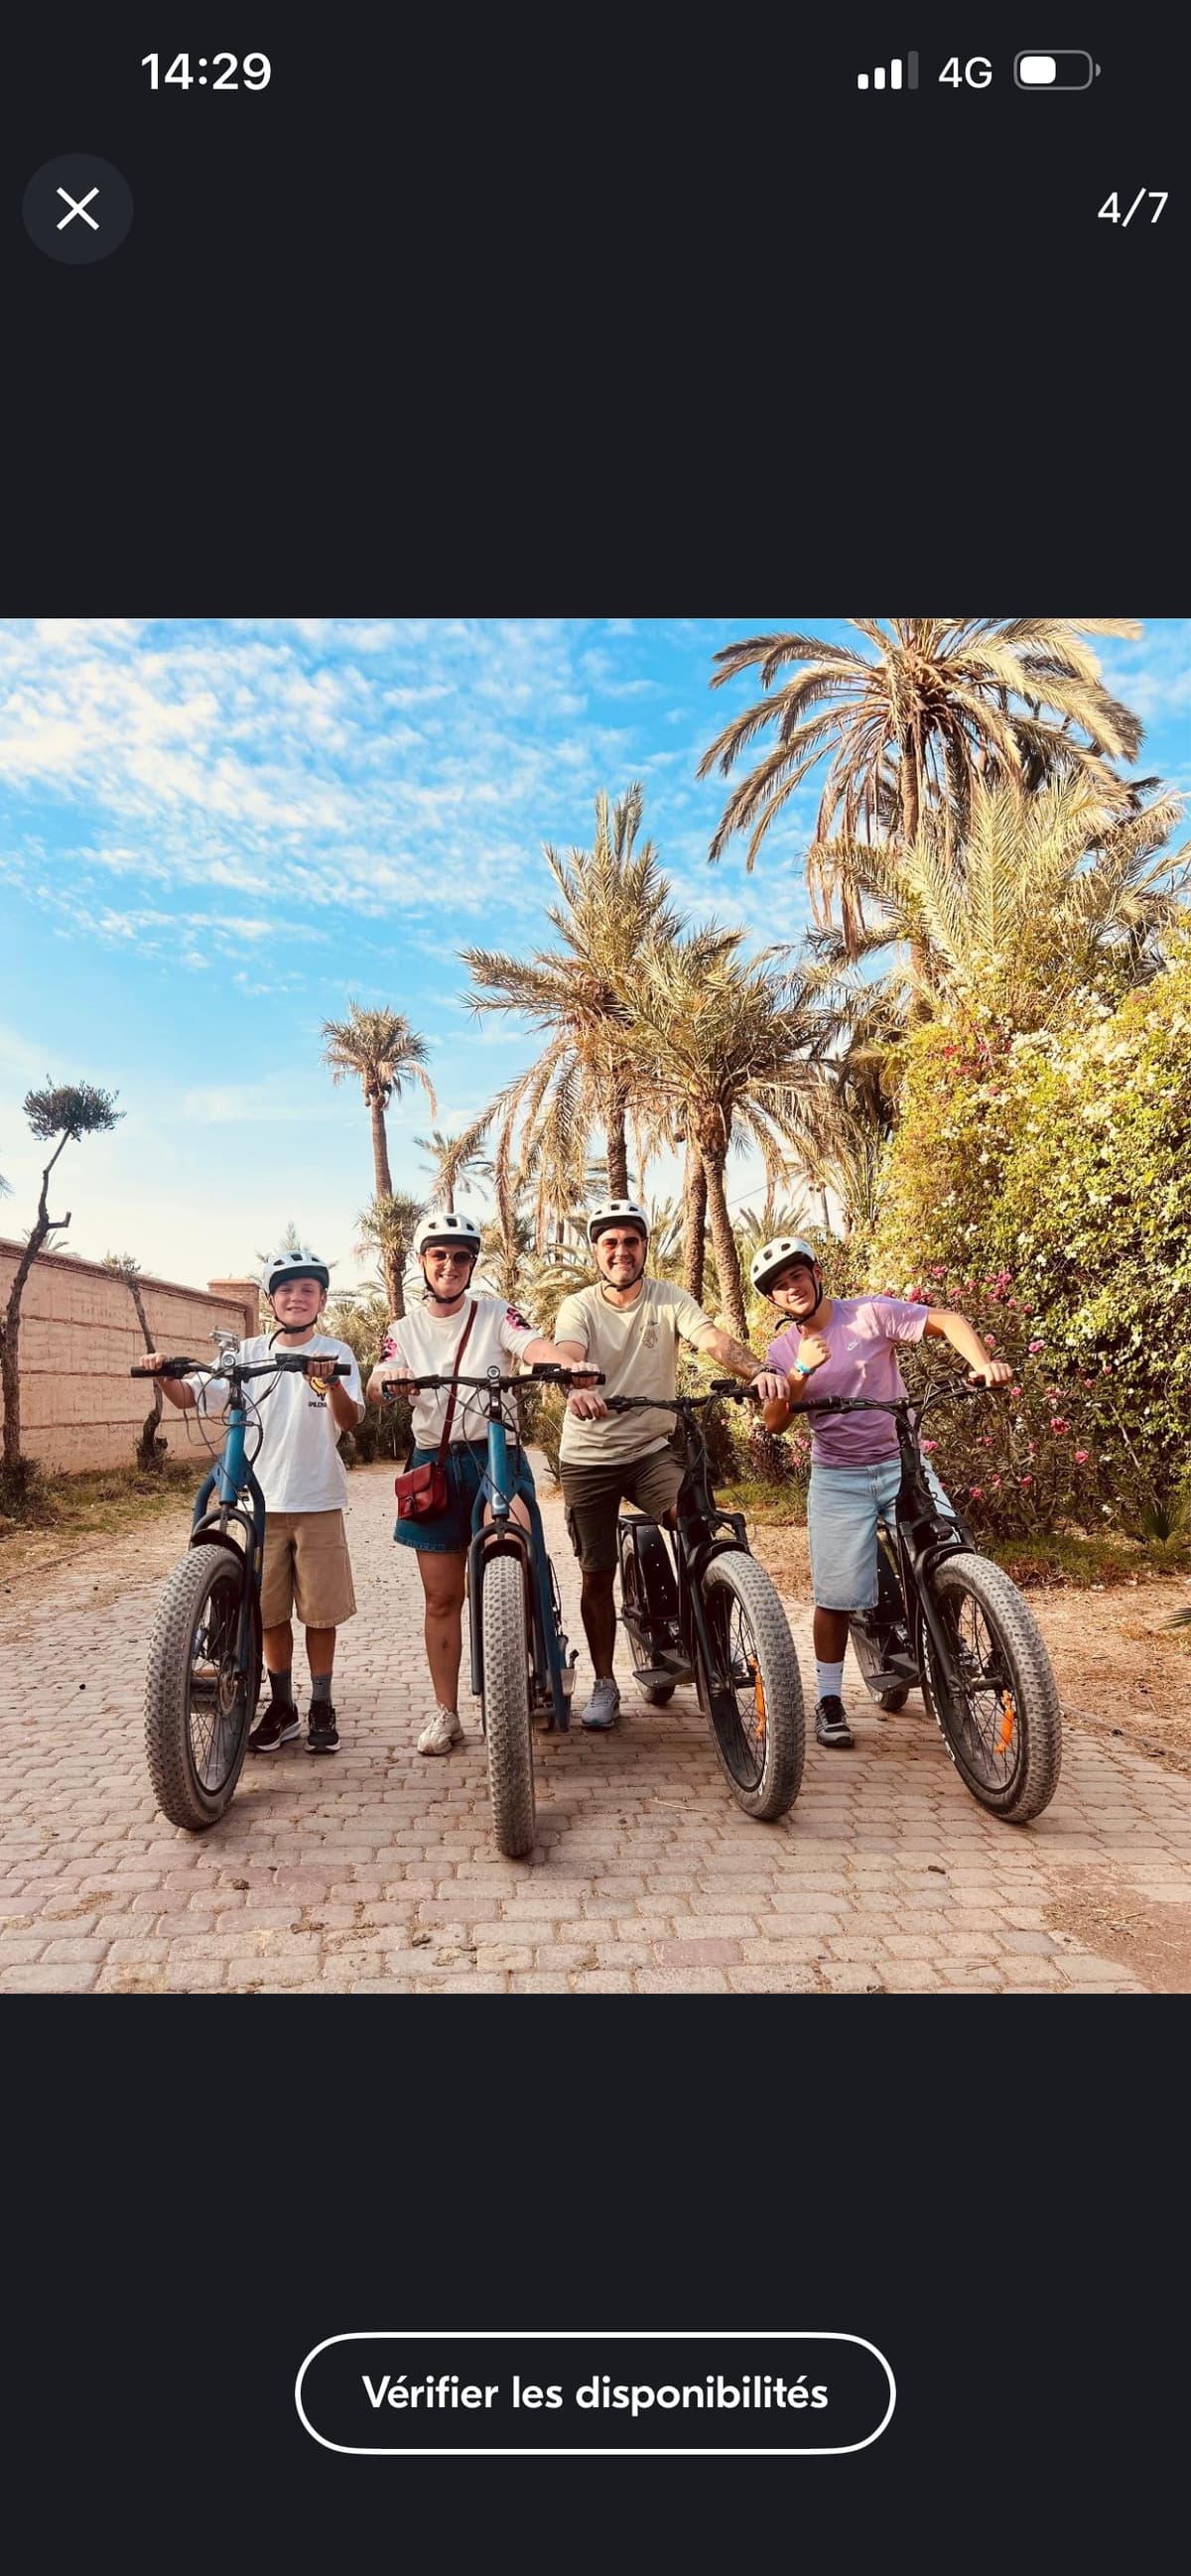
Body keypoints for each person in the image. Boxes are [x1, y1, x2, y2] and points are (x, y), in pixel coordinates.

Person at [750, 1233, 1012, 1749]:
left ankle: (947, 1653)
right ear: (774, 1300)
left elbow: (949, 1321)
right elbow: (775, 1421)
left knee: (949, 1553)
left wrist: (982, 1363)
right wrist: (801, 1370)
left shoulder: (871, 1313)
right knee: (835, 1596)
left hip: (901, 1464)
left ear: (815, 1274)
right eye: (779, 1287)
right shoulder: (781, 1351)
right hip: (838, 1477)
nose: (791, 1289)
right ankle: (829, 1698)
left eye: (797, 1276)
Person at [552, 1199, 790, 1730]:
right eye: (610, 1243)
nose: (621, 1252)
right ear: (596, 1251)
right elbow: (567, 1350)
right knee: (596, 1573)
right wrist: (578, 1380)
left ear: (644, 1248)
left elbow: (713, 1340)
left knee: (698, 1523)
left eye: (630, 1242)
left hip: (649, 1451)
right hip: (588, 1456)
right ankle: (605, 1683)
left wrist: (759, 1371)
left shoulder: (669, 1298)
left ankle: (700, 1633)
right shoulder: (580, 1306)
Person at [365, 1210, 594, 1757]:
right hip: (434, 1466)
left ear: (472, 1265)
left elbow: (531, 1343)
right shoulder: (402, 1331)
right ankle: (447, 1713)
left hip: (498, 1454)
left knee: (523, 1558)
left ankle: (544, 1662)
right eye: (439, 1255)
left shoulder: (495, 1314)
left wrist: (559, 1365)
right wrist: (387, 1381)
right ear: (423, 1263)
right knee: (442, 1598)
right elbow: (378, 1380)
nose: (449, 1264)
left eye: (460, 1256)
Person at [149, 1247, 364, 1754]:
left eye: (307, 1290)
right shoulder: (244, 1354)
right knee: (268, 1613)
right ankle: (283, 1706)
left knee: (320, 1613)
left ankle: (322, 1704)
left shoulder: (338, 1351)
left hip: (317, 1499)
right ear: (271, 1301)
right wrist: (163, 1373)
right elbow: (193, 1396)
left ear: (322, 1300)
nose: (296, 1298)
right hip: (259, 1503)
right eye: (286, 1290)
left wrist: (329, 1379)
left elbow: (351, 1419)